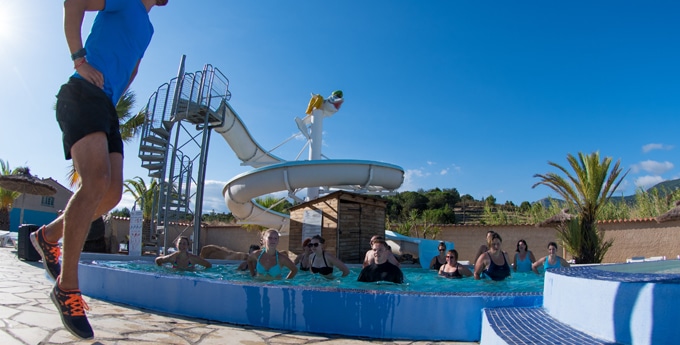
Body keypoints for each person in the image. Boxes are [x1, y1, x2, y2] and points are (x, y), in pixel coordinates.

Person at [29, 0, 168, 339]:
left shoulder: (148, 29)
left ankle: (47, 237)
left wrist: (114, 97)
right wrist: (80, 58)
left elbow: (132, 68)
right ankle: (67, 288)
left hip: (106, 106)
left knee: (111, 194)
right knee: (95, 182)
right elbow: (73, 2)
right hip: (82, 93)